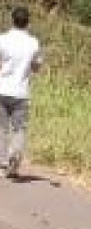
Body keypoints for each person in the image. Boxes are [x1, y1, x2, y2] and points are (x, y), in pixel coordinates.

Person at [0, 6, 43, 179]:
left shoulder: (2, 39)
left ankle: (3, 160)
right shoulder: (33, 43)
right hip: (21, 92)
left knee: (1, 128)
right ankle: (14, 157)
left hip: (2, 89)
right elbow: (37, 66)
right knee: (19, 129)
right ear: (28, 22)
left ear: (12, 20)